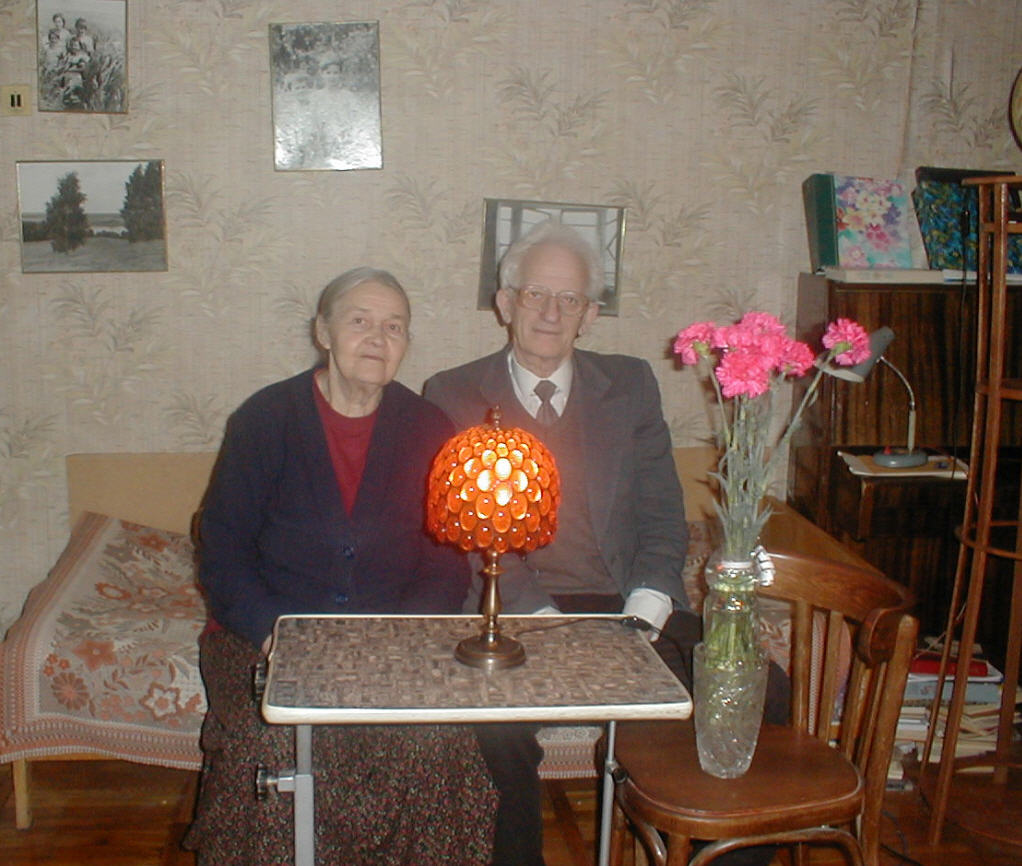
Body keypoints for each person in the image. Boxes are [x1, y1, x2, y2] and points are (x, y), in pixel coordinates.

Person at [424, 221, 787, 866]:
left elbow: (661, 512)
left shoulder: (630, 385)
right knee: (489, 724)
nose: (550, 312)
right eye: (535, 294)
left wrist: (645, 611)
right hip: (511, 609)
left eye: (569, 299)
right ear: (505, 303)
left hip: (625, 604)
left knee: (756, 686)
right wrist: (544, 622)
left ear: (589, 315)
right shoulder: (452, 393)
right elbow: (463, 535)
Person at [184, 268, 497, 865]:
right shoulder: (264, 420)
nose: (378, 337)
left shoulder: (429, 428)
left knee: (437, 742)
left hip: (390, 639)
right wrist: (276, 633)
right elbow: (223, 553)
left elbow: (446, 562)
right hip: (262, 636)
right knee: (274, 744)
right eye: (360, 321)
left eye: (394, 327)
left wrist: (397, 637)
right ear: (323, 333)